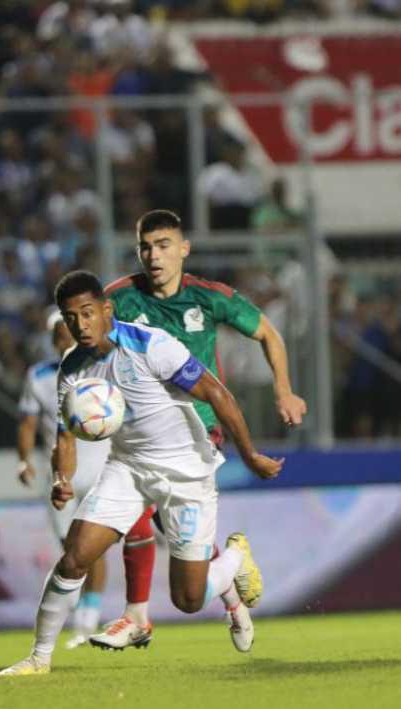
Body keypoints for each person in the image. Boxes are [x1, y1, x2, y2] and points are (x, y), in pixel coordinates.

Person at [0, 271, 282, 677]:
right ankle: (39, 657)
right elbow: (65, 437)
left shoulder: (152, 345)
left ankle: (235, 558)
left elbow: (216, 393)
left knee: (188, 599)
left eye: (87, 313)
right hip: (128, 468)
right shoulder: (72, 368)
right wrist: (62, 479)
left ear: (106, 309)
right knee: (75, 555)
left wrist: (250, 454)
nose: (80, 325)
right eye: (70, 317)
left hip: (186, 471)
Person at [95, 209, 306, 650]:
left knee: (172, 539)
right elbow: (86, 335)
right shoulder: (120, 298)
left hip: (196, 433)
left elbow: (268, 332)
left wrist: (283, 391)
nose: (154, 256)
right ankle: (168, 613)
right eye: (146, 247)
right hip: (141, 436)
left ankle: (173, 600)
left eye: (164, 245)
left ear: (184, 249)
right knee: (160, 529)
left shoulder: (208, 298)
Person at [15, 309, 110, 647]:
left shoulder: (103, 367)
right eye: (59, 334)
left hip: (100, 468)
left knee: (91, 547)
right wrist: (24, 460)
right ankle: (78, 611)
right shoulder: (39, 376)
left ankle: (87, 619)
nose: (66, 339)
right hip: (61, 474)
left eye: (70, 332)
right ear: (53, 339)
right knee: (68, 547)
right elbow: (27, 423)